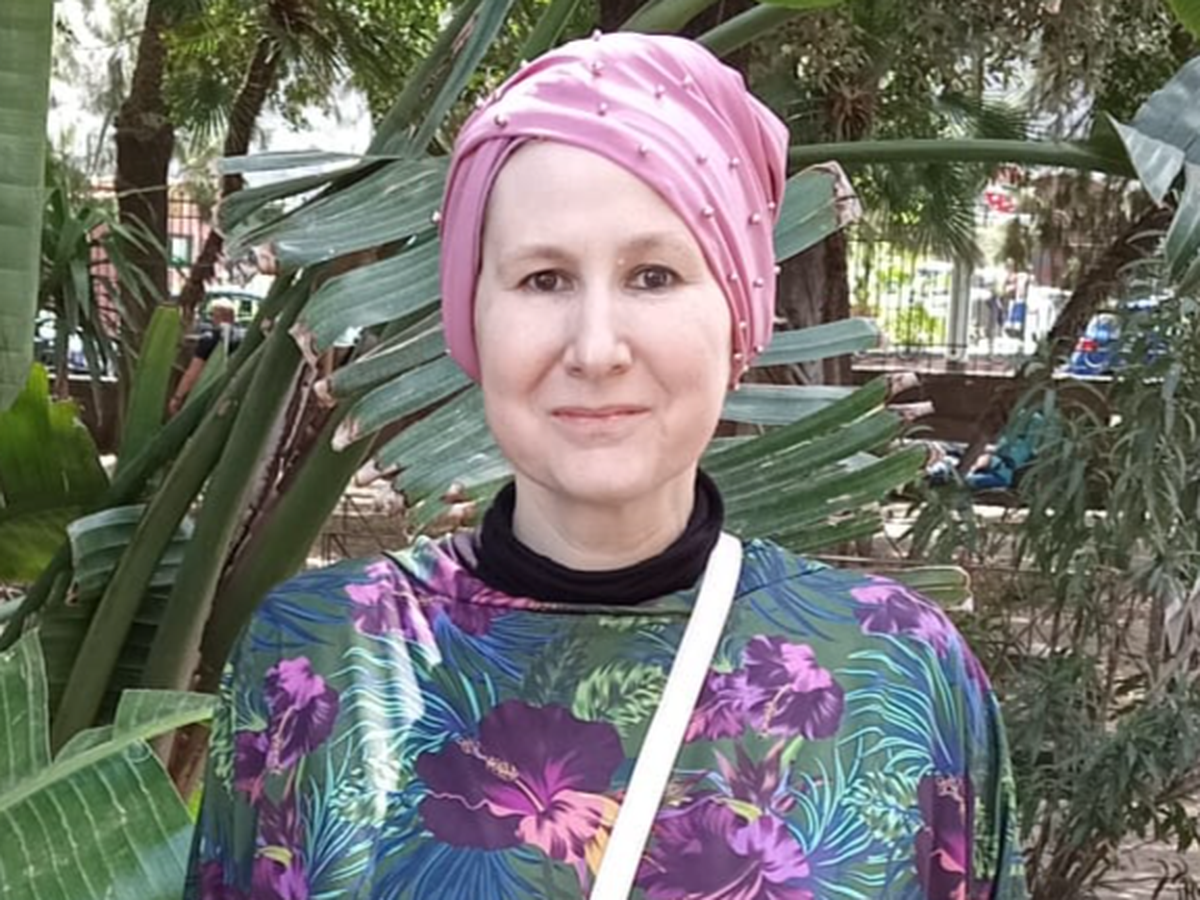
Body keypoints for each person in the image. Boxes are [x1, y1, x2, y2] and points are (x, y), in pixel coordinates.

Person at [186, 32, 1028, 900]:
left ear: (739, 318)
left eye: (653, 276)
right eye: (543, 279)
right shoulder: (322, 660)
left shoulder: (891, 666)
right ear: (472, 317)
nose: (595, 348)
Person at [170, 298, 245, 414]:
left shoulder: (210, 339)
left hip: (209, 394)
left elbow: (193, 372)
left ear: (216, 316)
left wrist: (178, 397)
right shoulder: (243, 339)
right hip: (235, 392)